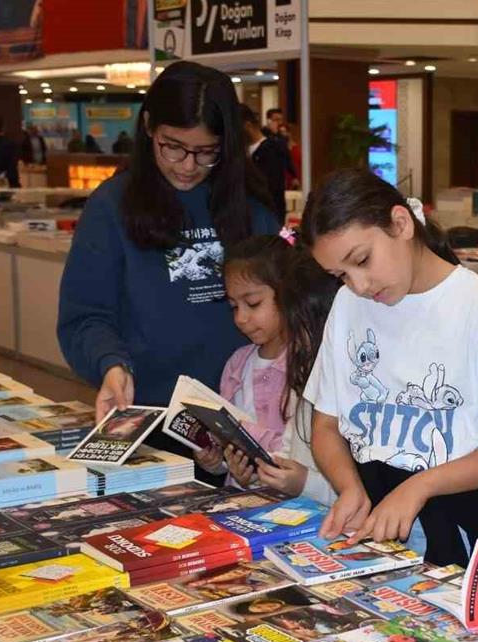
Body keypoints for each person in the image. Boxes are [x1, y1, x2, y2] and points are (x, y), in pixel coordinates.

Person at [298, 169, 478, 567]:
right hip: (378, 519)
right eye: (341, 274)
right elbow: (326, 425)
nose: (359, 285)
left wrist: (421, 486)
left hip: (461, 520)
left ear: (400, 223)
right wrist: (349, 488)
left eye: (362, 260)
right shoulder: (348, 304)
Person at [57, 61, 279, 476]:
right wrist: (111, 364)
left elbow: (288, 304)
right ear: (147, 128)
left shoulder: (251, 206)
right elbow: (85, 316)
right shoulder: (111, 207)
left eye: (206, 151)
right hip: (151, 424)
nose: (187, 165)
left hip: (247, 428)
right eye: (172, 146)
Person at [195, 233, 339, 504]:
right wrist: (221, 462)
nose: (241, 318)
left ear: (288, 296)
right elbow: (235, 460)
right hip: (243, 504)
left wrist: (242, 434)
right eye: (233, 307)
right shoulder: (238, 364)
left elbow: (297, 457)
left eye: (253, 304)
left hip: (299, 507)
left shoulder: (306, 366)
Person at [241, 104, 288, 222]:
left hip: (266, 218)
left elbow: (273, 189)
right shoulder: (240, 152)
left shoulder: (271, 150)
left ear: (247, 126)